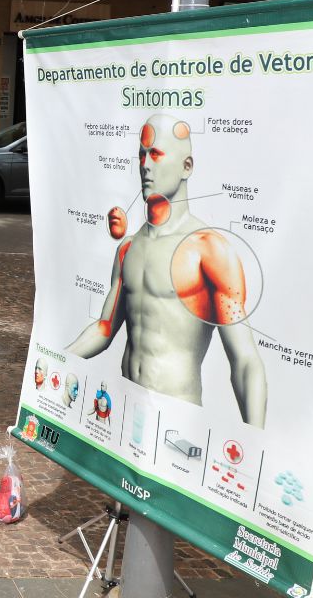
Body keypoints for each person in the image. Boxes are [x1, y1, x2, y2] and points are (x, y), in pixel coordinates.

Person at [64, 114, 267, 429]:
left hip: (176, 415)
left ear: (187, 166)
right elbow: (104, 330)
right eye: (142, 154)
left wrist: (254, 443)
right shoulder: (128, 249)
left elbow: (244, 360)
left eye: (156, 154)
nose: (145, 165)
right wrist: (58, 362)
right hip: (125, 406)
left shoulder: (208, 249)